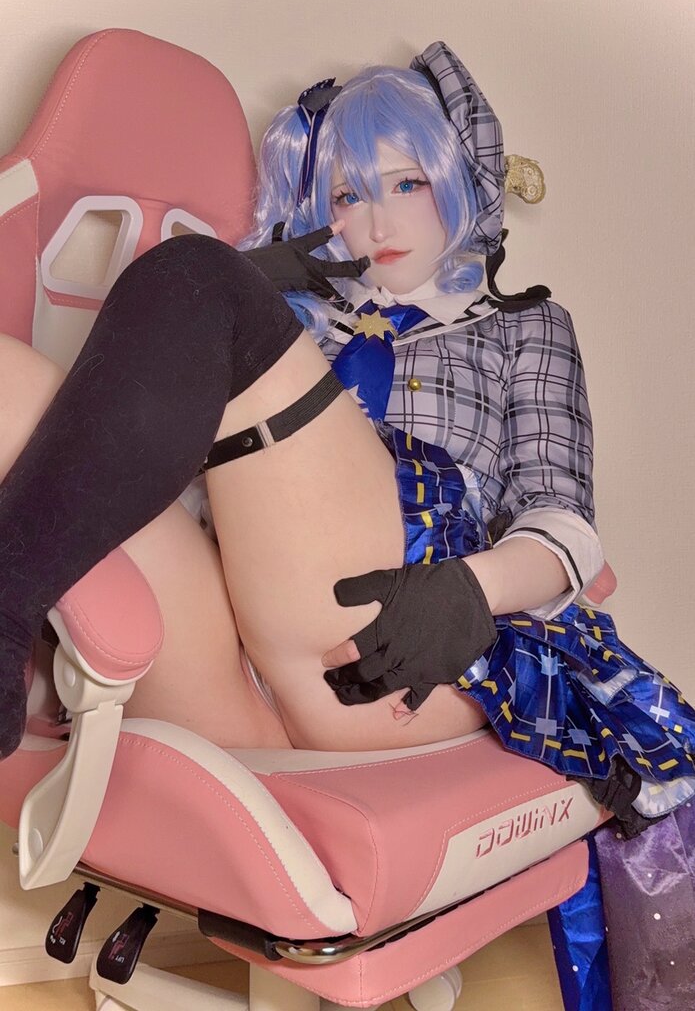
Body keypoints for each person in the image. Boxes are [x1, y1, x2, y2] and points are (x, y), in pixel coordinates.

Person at [1, 43, 694, 834]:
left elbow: (564, 518)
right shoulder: (298, 324)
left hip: (392, 649)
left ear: (457, 182)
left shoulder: (522, 328)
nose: (378, 221)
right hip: (232, 677)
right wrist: (244, 295)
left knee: (194, 271)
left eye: (407, 183)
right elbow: (164, 471)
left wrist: (473, 589)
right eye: (347, 196)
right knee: (11, 380)